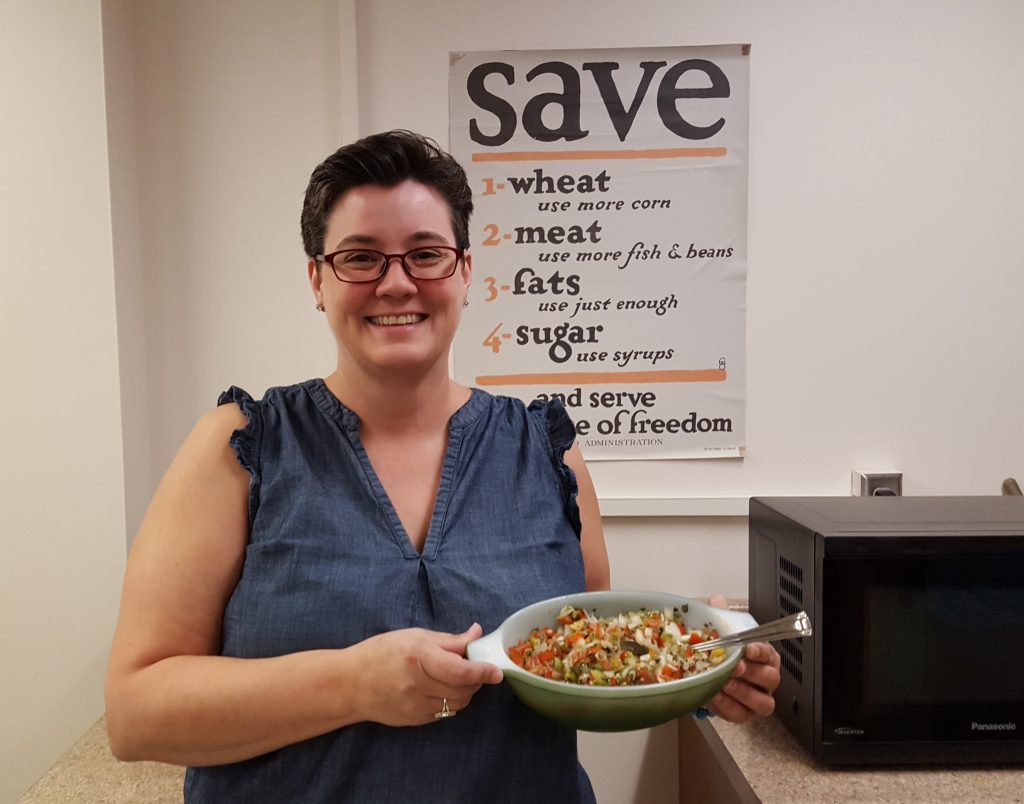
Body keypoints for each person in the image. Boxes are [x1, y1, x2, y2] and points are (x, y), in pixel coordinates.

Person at [104, 130, 780, 802]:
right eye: (360, 258)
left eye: (425, 254)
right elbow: (136, 714)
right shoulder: (242, 447)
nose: (396, 283)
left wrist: (697, 672)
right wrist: (350, 685)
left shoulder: (545, 450)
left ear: (464, 271)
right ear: (317, 278)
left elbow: (584, 668)